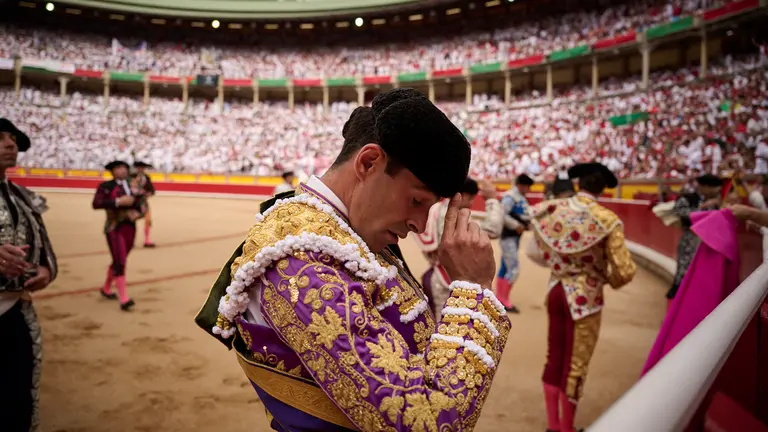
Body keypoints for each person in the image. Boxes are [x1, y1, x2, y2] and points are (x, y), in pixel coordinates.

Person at [195, 88, 511, 431]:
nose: (420, 225)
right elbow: (426, 422)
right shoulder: (300, 264)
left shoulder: (346, 235)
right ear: (368, 163)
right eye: (417, 201)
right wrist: (473, 290)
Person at [524, 162, 636, 432]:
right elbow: (624, 270)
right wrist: (605, 279)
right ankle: (567, 427)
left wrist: (559, 265)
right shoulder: (607, 219)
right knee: (575, 365)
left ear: (578, 184)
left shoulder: (552, 209)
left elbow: (536, 251)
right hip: (585, 297)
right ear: (603, 189)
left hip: (555, 289)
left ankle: (553, 425)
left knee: (554, 356)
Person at [0, 118, 57, 431]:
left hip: (17, 309)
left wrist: (46, 271)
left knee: (18, 400)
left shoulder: (23, 196)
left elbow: (45, 249)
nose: (11, 144)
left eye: (12, 138)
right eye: (0, 139)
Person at [414, 178, 503, 320]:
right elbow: (493, 229)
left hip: (435, 274)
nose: (472, 203)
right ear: (464, 196)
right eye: (471, 198)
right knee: (449, 324)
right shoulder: (455, 216)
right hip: (449, 278)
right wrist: (492, 200)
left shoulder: (435, 209)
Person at [92, 160, 143, 311]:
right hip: (114, 227)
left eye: (124, 167)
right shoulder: (106, 186)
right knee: (120, 260)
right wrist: (117, 202)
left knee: (119, 258)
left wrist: (138, 213)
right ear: (112, 171)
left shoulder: (132, 185)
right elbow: (96, 203)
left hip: (130, 227)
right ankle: (124, 299)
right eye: (119, 168)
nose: (123, 170)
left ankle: (106, 288)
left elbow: (140, 203)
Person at [667, 174, 723, 304]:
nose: (716, 192)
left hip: (710, 242)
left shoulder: (718, 202)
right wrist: (703, 208)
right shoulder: (687, 198)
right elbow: (680, 213)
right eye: (714, 188)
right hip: (691, 240)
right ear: (705, 187)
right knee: (684, 271)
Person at [496, 174, 535, 313]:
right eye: (527, 187)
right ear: (520, 185)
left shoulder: (518, 197)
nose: (529, 190)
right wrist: (516, 225)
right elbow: (502, 215)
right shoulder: (510, 197)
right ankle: (504, 301)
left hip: (513, 237)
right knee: (513, 268)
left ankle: (499, 298)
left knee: (505, 267)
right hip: (508, 237)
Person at [131, 161, 156, 248]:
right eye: (139, 168)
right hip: (132, 202)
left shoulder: (146, 178)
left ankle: (147, 240)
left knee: (148, 220)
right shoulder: (131, 177)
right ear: (136, 168)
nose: (141, 169)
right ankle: (130, 240)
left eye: (142, 168)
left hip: (143, 201)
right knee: (131, 221)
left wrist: (149, 193)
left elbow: (152, 190)